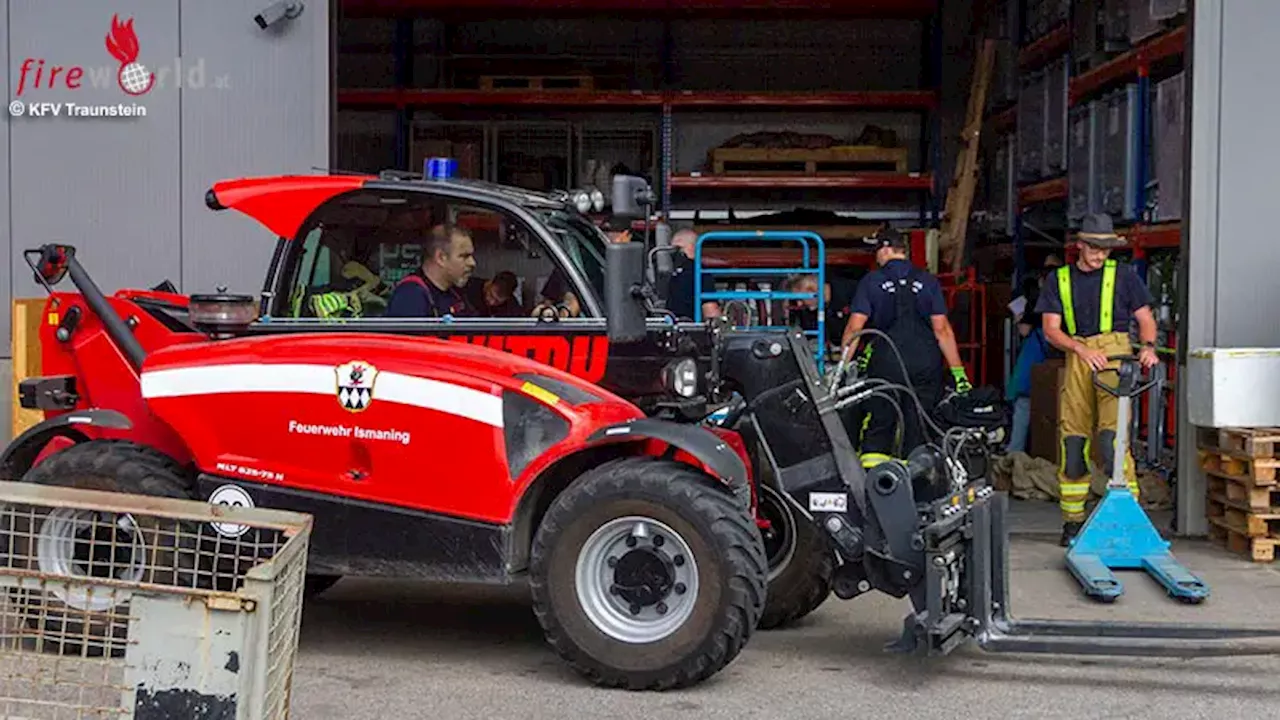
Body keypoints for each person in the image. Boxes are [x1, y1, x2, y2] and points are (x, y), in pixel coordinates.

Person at [1034, 213, 1159, 546]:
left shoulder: (1125, 277)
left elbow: (1145, 318)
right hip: (1078, 356)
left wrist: (1148, 348)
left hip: (1115, 355)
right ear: (1080, 245)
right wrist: (1079, 348)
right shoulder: (1058, 280)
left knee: (1112, 440)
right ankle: (1073, 522)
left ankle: (1129, 517)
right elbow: (1050, 329)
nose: (1101, 255)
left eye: (1106, 249)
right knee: (1073, 440)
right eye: (1095, 248)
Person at [839, 226, 971, 468]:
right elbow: (942, 330)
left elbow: (854, 329)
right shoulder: (928, 281)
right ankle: (917, 487)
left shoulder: (872, 281)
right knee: (918, 425)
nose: (876, 256)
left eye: (877, 249)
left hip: (886, 362)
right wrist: (958, 373)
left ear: (887, 249)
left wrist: (842, 368)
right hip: (925, 364)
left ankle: (876, 485)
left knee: (880, 422)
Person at [385, 223, 478, 318]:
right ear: (441, 257)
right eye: (464, 256)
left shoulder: (456, 293)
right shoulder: (411, 295)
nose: (472, 262)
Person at [664, 229, 721, 321]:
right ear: (695, 246)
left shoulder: (668, 273)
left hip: (668, 325)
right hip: (690, 328)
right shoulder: (701, 273)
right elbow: (711, 312)